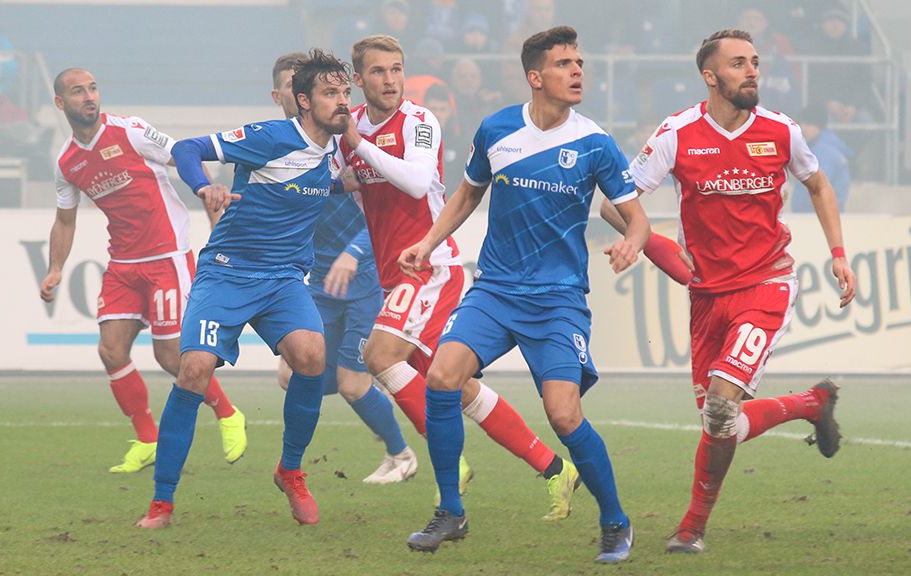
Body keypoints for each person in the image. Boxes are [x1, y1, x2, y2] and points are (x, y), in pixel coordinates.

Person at [399, 26, 648, 563]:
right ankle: (450, 510)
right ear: (536, 77)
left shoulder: (595, 143)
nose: (577, 71)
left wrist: (632, 243)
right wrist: (428, 241)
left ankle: (615, 520)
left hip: (557, 300)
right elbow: (468, 193)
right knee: (441, 377)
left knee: (563, 416)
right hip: (495, 290)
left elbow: (637, 219)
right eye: (564, 64)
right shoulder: (497, 130)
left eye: (579, 62)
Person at [619, 29, 856, 553]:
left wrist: (839, 254)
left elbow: (817, 184)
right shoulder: (677, 134)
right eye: (738, 63)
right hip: (706, 296)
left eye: (754, 61)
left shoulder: (780, 130)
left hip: (766, 284)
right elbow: (618, 199)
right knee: (719, 422)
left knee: (724, 405)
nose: (752, 71)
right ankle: (811, 403)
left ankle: (691, 528)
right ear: (711, 76)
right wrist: (647, 240)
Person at [338, 34, 582, 519]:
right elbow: (350, 183)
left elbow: (413, 179)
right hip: (395, 272)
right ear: (358, 79)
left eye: (396, 69)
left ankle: (449, 464)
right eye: (378, 71)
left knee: (379, 355)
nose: (390, 79)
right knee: (452, 385)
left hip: (429, 267)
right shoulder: (356, 126)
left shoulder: (418, 121)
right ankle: (555, 468)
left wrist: (358, 146)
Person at [135, 48, 352, 529]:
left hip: (282, 280)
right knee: (193, 368)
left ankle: (291, 471)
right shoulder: (269, 136)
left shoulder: (338, 148)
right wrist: (202, 189)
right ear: (302, 101)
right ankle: (162, 502)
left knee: (312, 356)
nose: (342, 102)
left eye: (345, 93)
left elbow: (319, 185)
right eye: (330, 94)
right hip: (228, 273)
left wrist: (365, 181)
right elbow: (186, 150)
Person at [39, 68, 247, 475]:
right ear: (61, 103)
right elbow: (65, 220)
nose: (89, 97)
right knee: (111, 349)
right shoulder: (67, 162)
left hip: (167, 255)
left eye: (93, 88)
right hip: (123, 264)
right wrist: (55, 268)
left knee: (171, 355)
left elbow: (182, 153)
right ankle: (147, 437)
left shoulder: (131, 131)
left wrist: (204, 188)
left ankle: (227, 414)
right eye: (78, 91)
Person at [271, 52, 417, 484]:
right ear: (281, 94)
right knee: (294, 373)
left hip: (363, 276)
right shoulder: (280, 148)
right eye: (288, 86)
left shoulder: (343, 140)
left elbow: (382, 210)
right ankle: (393, 397)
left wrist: (354, 253)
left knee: (353, 383)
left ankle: (402, 453)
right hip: (319, 280)